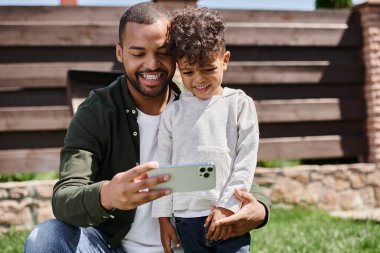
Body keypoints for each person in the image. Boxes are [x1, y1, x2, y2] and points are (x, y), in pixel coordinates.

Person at [24, 2, 271, 253]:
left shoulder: (200, 106)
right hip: (111, 247)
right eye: (138, 53)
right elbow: (65, 197)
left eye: (162, 52)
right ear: (120, 53)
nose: (152, 64)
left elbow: (230, 167)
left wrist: (260, 209)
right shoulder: (97, 110)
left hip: (183, 244)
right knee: (44, 238)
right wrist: (106, 195)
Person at [151, 7, 259, 253]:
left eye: (208, 69)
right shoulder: (172, 114)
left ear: (225, 60)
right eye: (188, 72)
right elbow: (163, 170)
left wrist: (228, 207)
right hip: (185, 221)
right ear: (179, 68)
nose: (199, 80)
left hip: (230, 219)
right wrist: (163, 219)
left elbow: (246, 161)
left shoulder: (240, 104)